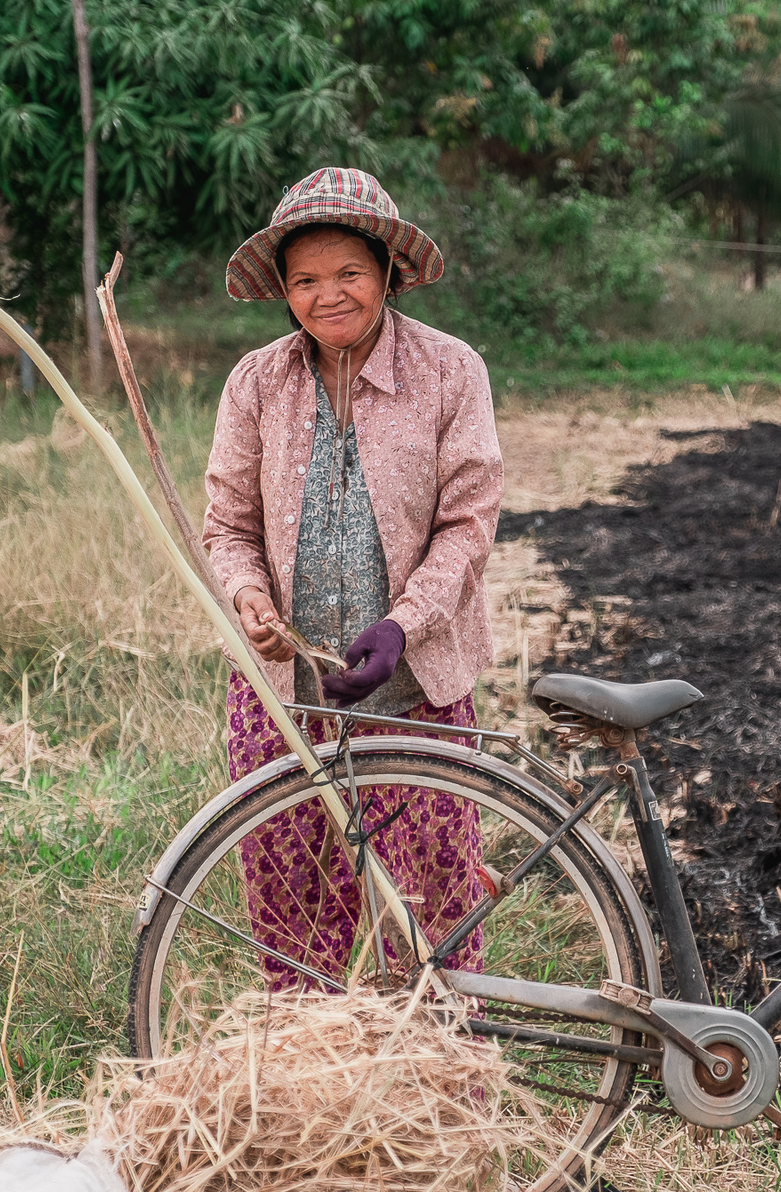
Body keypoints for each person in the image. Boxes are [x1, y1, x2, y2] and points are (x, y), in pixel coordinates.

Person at [203, 166, 501, 985]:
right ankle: (312, 1085)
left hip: (415, 691)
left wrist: (401, 623)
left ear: (386, 273)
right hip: (285, 698)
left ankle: (442, 1087)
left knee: (431, 912)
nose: (327, 295)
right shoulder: (256, 382)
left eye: (348, 274)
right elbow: (226, 525)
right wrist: (249, 596)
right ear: (282, 289)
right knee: (292, 911)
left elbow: (468, 523)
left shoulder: (450, 371)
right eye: (304, 279)